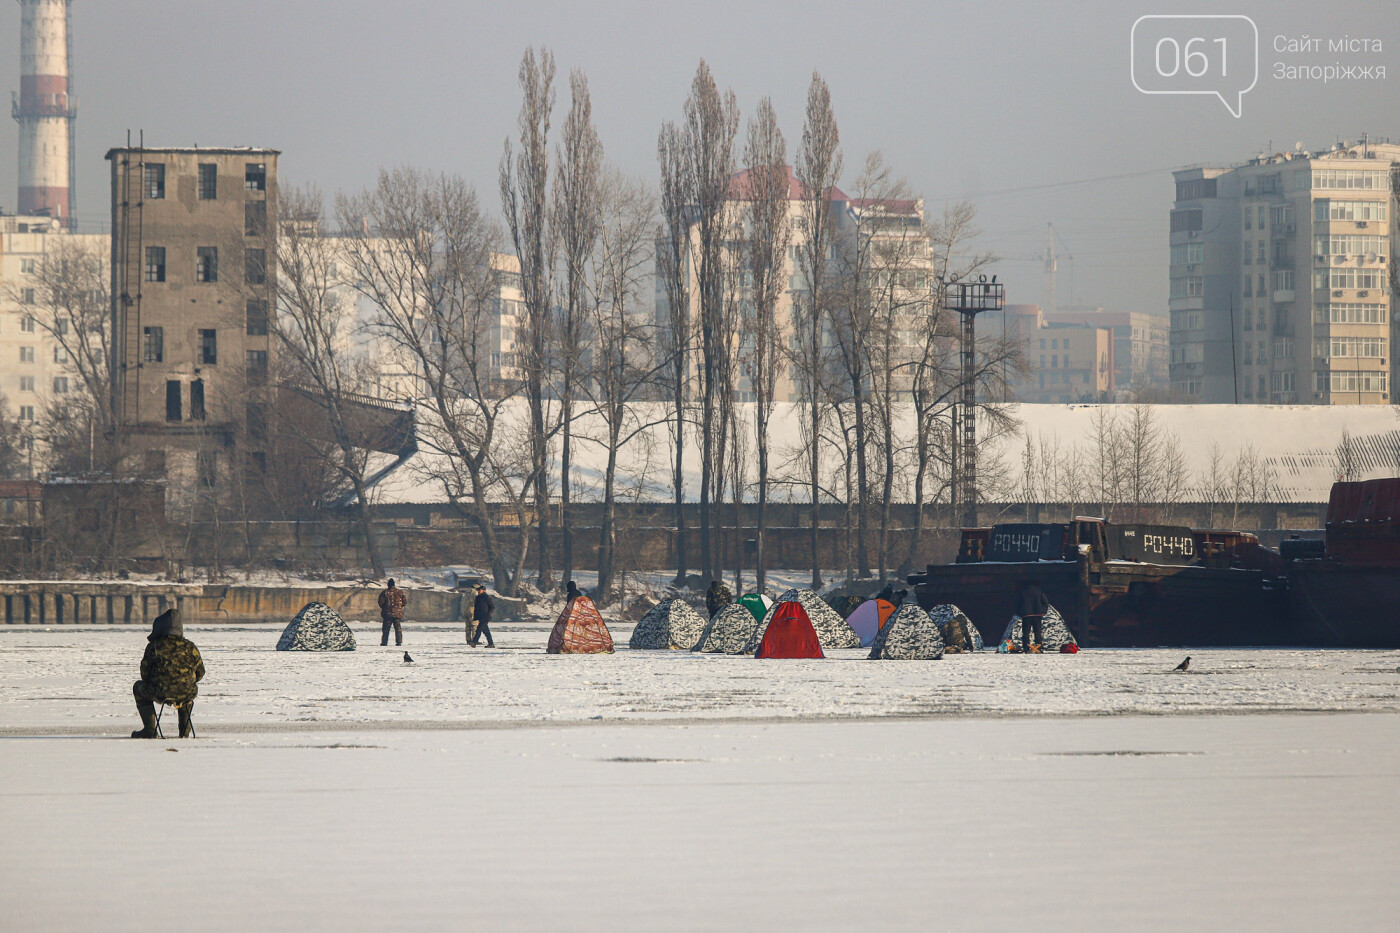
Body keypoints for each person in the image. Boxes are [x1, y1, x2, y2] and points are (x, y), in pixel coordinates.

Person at [132, 608, 204, 739]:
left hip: (159, 692)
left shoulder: (154, 646)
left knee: (138, 687)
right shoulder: (190, 647)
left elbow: (144, 673)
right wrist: (186, 681)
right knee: (186, 692)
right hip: (186, 692)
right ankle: (184, 732)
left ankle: (150, 729)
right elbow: (200, 672)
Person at [1016, 580, 1049, 653]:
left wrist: (1019, 613)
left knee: (1026, 632)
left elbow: (1017, 604)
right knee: (1037, 632)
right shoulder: (1039, 592)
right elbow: (1045, 602)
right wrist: (1043, 611)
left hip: (1026, 615)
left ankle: (1027, 648)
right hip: (1037, 615)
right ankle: (1038, 648)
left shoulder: (1023, 592)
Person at [378, 578, 407, 647]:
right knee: (398, 629)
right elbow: (404, 602)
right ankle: (399, 642)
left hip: (387, 614)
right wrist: (399, 608)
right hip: (397, 614)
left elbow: (381, 603)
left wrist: (385, 608)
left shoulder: (385, 592)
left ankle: (384, 642)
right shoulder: (400, 592)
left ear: (388, 584)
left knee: (386, 629)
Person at [469, 584, 496, 648]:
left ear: (483, 590)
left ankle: (474, 642)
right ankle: (491, 644)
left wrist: (488, 614)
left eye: (480, 590)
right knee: (486, 631)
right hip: (480, 616)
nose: (478, 591)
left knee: (479, 629)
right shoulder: (478, 597)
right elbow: (476, 608)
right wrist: (475, 617)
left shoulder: (486, 597)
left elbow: (492, 607)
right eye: (478, 590)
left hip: (485, 616)